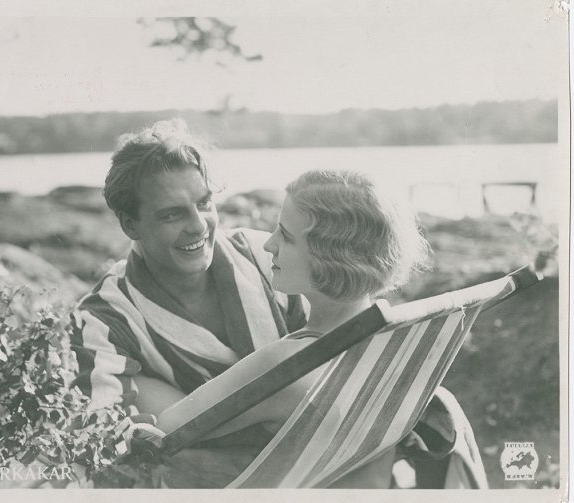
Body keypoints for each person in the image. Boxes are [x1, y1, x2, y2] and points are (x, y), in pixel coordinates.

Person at [147, 169, 431, 488]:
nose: (269, 245)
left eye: (285, 236)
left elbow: (164, 432)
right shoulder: (395, 342)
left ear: (330, 256)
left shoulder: (291, 366)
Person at [69, 119, 308, 464]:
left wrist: (170, 407)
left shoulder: (265, 257)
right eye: (172, 215)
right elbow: (104, 435)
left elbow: (342, 356)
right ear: (130, 224)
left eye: (205, 203)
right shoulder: (105, 319)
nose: (198, 225)